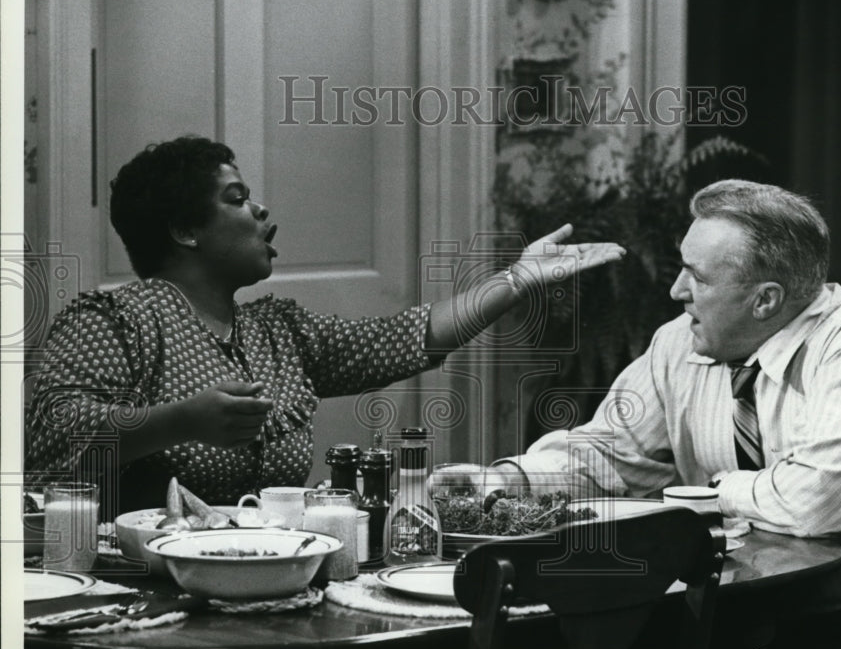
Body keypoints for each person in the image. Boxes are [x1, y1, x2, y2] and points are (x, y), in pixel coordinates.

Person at [488, 179, 841, 649]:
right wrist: (506, 482)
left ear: (764, 300)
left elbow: (818, 504)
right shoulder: (682, 343)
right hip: (759, 614)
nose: (675, 290)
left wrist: (714, 492)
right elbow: (609, 456)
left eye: (695, 276)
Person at [24, 135, 626, 514]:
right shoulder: (116, 320)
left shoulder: (278, 331)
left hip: (268, 574)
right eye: (236, 198)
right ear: (185, 231)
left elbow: (411, 336)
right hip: (139, 591)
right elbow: (51, 433)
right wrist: (178, 421)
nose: (260, 209)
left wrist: (514, 282)